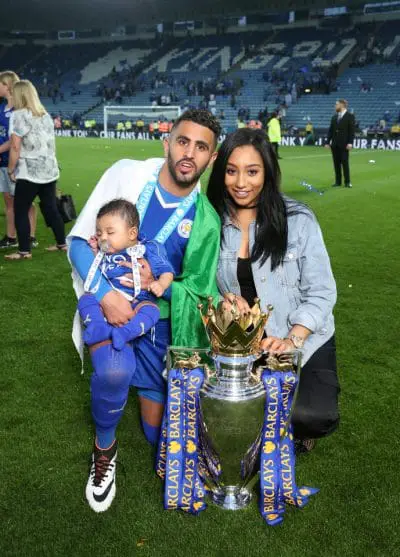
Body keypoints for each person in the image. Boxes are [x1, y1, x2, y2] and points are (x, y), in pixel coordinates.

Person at [67, 109, 221, 512]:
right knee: (114, 373)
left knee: (158, 437)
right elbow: (79, 241)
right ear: (167, 142)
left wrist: (162, 285)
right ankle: (104, 448)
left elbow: (199, 289)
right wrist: (105, 294)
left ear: (211, 158)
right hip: (109, 307)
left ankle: (146, 388)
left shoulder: (205, 219)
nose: (189, 153)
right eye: (183, 141)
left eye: (200, 147)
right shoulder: (128, 176)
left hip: (158, 322)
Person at [207, 128, 339, 455]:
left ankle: (298, 424)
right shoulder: (211, 221)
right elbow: (198, 280)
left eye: (252, 172)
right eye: (231, 170)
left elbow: (322, 291)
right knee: (220, 415)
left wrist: (292, 341)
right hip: (244, 343)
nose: (241, 182)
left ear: (267, 172)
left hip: (302, 337)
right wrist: (223, 302)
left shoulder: (298, 219)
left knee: (311, 416)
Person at [78, 198, 174, 351]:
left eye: (110, 232)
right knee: (86, 299)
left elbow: (166, 270)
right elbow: (98, 268)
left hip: (138, 300)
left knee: (152, 311)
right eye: (99, 233)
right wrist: (95, 251)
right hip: (109, 299)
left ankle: (124, 333)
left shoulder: (149, 248)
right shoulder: (105, 251)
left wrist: (161, 284)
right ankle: (97, 328)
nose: (103, 238)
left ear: (132, 233)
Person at [5, 80, 66, 260]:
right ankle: (62, 243)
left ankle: (24, 251)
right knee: (51, 208)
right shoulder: (45, 114)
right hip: (49, 169)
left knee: (20, 210)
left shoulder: (18, 115)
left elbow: (15, 146)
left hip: (29, 171)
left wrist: (11, 169)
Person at [0, 71, 37, 249]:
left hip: (17, 161)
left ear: (7, 85)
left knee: (25, 201)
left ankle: (30, 236)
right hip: (2, 161)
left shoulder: (20, 110)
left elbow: (16, 140)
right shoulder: (2, 108)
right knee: (8, 200)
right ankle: (11, 236)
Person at [325, 99, 355, 188]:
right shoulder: (334, 117)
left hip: (344, 144)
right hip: (334, 145)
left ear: (342, 105)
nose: (335, 106)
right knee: (336, 164)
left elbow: (351, 131)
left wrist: (350, 142)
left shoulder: (350, 116)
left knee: (345, 163)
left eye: (336, 104)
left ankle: (347, 182)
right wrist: (327, 142)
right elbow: (330, 131)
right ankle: (338, 182)